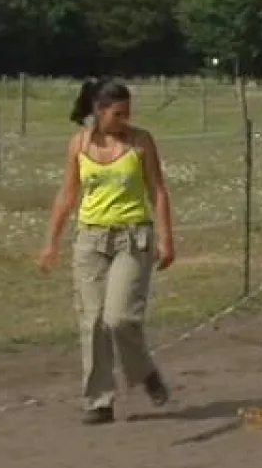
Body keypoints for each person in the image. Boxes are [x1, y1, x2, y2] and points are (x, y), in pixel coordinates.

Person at [38, 77, 177, 425]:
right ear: (99, 111)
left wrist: (166, 239)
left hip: (133, 239)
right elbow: (67, 194)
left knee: (120, 318)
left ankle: (145, 373)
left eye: (128, 112)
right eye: (118, 113)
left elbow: (157, 190)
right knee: (94, 322)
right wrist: (51, 242)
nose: (125, 119)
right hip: (90, 241)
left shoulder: (141, 142)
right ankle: (98, 401)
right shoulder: (79, 145)